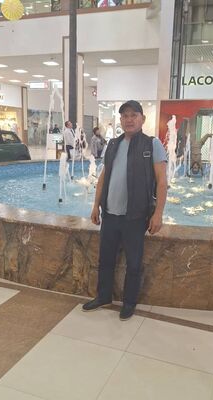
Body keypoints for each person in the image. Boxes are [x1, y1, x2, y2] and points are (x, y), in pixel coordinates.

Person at [82, 100, 168, 321]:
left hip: (135, 217)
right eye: (125, 116)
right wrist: (95, 205)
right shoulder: (113, 144)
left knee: (134, 263)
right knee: (105, 260)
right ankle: (103, 296)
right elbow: (103, 177)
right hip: (110, 215)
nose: (129, 120)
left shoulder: (152, 144)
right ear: (120, 120)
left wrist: (158, 214)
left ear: (142, 119)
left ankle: (129, 303)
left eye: (133, 115)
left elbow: (162, 181)